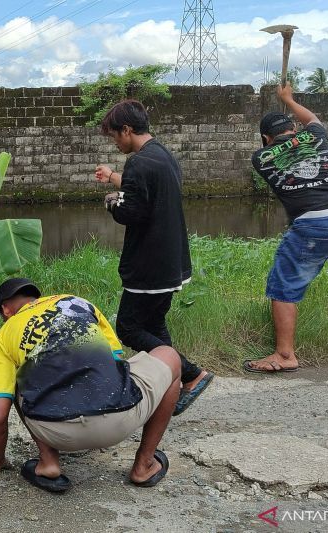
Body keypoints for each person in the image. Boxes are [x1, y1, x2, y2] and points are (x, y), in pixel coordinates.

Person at [0, 278, 181, 493]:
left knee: (15, 379)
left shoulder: (4, 336)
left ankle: (48, 463)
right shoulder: (77, 302)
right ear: (38, 298)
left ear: (6, 310)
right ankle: (144, 464)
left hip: (55, 430)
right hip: (121, 420)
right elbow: (115, 361)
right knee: (169, 355)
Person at [94, 99, 213, 415]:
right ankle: (174, 383)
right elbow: (144, 191)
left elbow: (131, 211)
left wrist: (112, 202)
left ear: (128, 130)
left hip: (149, 267)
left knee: (129, 328)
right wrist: (114, 178)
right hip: (170, 263)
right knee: (155, 326)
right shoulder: (161, 155)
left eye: (115, 136)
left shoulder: (139, 163)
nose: (116, 143)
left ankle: (192, 373)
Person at [247, 84, 328, 373]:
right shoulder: (315, 135)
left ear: (266, 138)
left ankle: (285, 355)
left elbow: (283, 144)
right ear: (294, 127)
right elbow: (312, 120)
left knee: (284, 284)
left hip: (315, 220)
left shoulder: (261, 157)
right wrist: (288, 99)